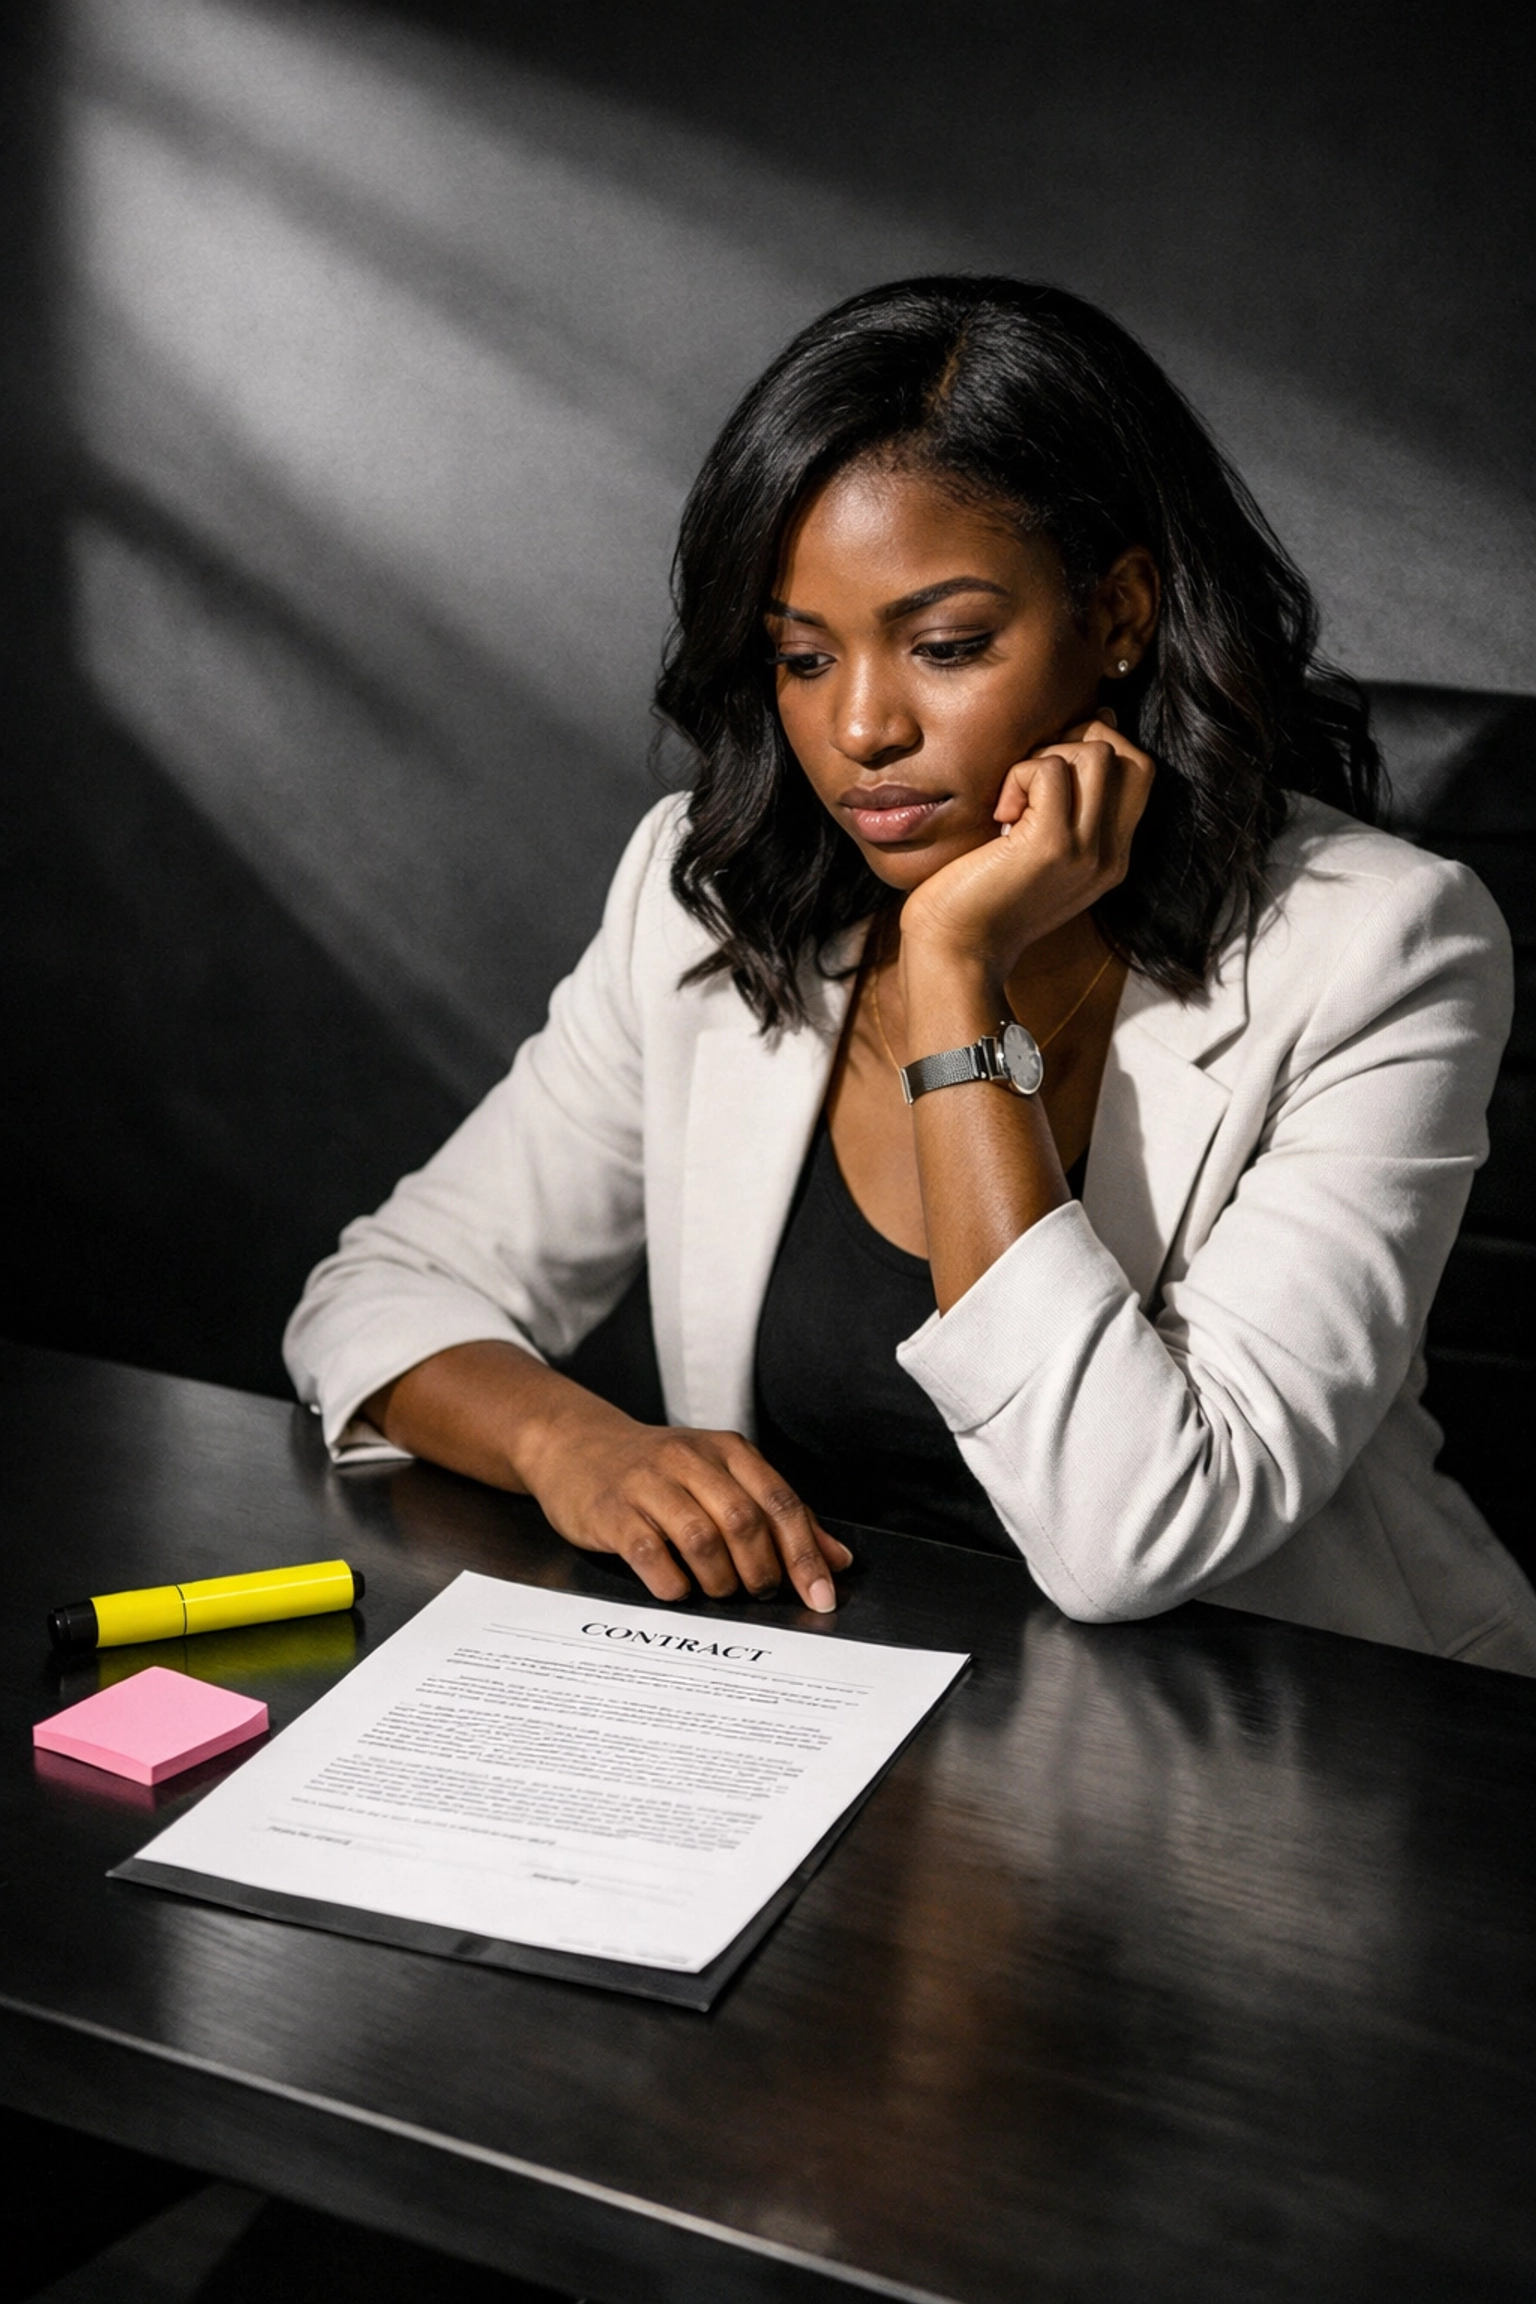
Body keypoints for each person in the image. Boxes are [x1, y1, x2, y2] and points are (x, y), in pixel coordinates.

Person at [285, 277, 1536, 1674]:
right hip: (826, 1715)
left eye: (945, 647)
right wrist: (570, 1438)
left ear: (1118, 612)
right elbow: (383, 1289)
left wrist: (953, 969)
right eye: (803, 658)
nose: (863, 727)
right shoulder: (710, 895)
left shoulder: (1384, 946)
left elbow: (1132, 1535)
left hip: (1304, 1755)